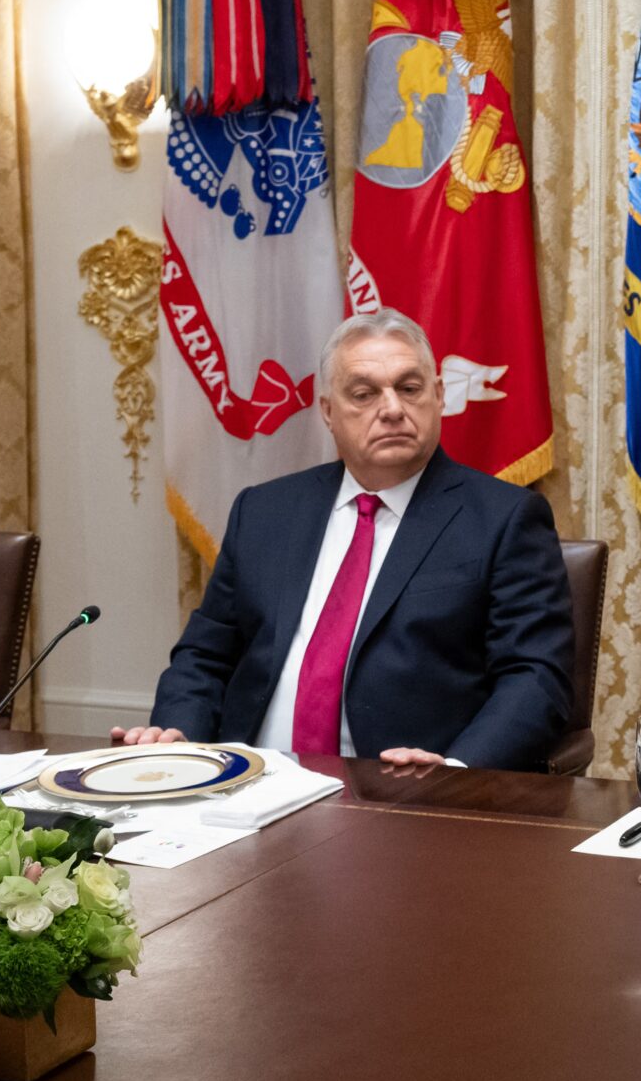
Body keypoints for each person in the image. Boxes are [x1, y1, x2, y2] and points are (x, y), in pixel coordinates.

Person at [119, 309, 573, 769]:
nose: (392, 409)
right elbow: (204, 656)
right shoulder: (263, 512)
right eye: (364, 394)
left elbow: (535, 677)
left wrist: (455, 772)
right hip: (248, 781)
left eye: (409, 388)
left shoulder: (504, 519)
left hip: (402, 790)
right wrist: (178, 734)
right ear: (328, 412)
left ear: (438, 397)